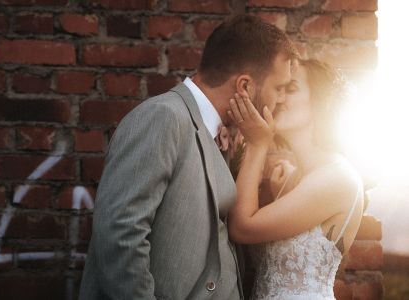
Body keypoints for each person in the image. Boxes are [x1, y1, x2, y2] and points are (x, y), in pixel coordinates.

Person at [79, 14, 298, 300]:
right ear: (245, 86)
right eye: (279, 87)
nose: (281, 99)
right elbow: (120, 235)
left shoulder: (220, 134)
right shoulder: (163, 117)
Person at [227, 59, 364, 299]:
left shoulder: (338, 178)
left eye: (290, 89)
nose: (279, 99)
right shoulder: (293, 179)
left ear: (321, 100)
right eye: (279, 89)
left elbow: (241, 228)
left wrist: (258, 143)